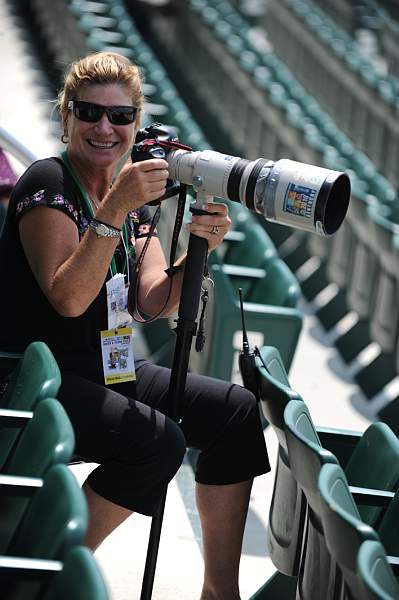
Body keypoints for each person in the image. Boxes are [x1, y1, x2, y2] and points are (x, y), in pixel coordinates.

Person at [0, 52, 270, 600]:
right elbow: (69, 299)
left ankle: (220, 592)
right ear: (66, 117)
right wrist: (114, 209)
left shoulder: (131, 202)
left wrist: (199, 250)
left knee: (236, 414)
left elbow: (152, 302)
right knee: (156, 443)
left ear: (136, 123)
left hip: (103, 366)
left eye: (121, 117)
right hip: (32, 377)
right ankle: (48, 570)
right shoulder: (48, 183)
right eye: (90, 113)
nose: (105, 127)